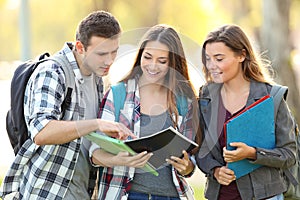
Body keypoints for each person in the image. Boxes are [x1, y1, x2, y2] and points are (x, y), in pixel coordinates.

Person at [0, 11, 134, 200]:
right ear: (80, 47)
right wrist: (96, 124)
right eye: (102, 53)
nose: (109, 60)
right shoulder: (52, 72)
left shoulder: (96, 77)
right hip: (47, 192)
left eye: (114, 52)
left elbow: (85, 142)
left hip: (80, 191)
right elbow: (42, 132)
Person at [90, 24, 201, 200]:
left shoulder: (183, 102)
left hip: (171, 196)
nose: (152, 66)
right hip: (126, 194)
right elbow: (94, 154)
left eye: (162, 61)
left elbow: (190, 159)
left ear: (172, 63)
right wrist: (120, 160)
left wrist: (187, 167)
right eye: (147, 57)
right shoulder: (118, 94)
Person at [196, 24, 296, 200]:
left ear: (242, 55)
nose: (211, 65)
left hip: (266, 196)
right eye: (208, 59)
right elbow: (201, 149)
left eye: (219, 59)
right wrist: (215, 170)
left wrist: (252, 153)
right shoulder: (206, 97)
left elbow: (289, 155)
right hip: (220, 195)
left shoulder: (271, 97)